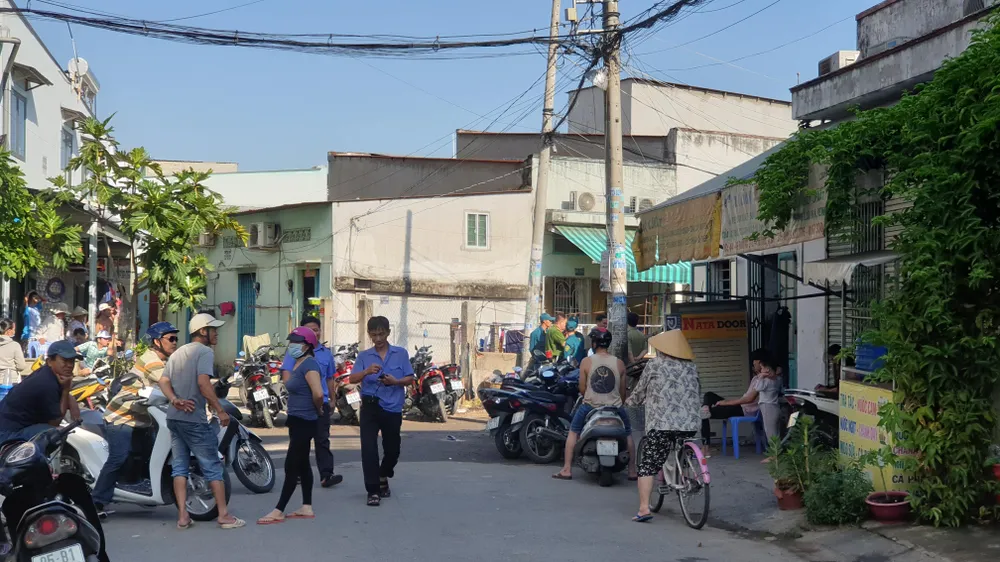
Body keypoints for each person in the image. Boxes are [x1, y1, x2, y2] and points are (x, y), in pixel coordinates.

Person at [157, 313, 245, 530]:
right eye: (213, 330)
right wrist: (220, 410)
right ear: (203, 331)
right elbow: (204, 384)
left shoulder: (178, 353)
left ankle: (183, 516)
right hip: (193, 420)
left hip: (174, 417)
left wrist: (174, 399)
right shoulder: (204, 352)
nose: (217, 334)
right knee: (212, 466)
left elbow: (163, 381)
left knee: (179, 467)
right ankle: (223, 515)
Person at [93, 322, 180, 511]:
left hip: (142, 418)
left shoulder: (164, 361)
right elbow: (169, 384)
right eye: (171, 338)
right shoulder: (151, 360)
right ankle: (97, 500)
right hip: (121, 416)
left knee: (147, 456)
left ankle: (141, 491)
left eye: (176, 338)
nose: (175, 342)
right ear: (157, 342)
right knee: (119, 458)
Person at [626, 329, 701, 522]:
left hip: (661, 424)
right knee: (681, 449)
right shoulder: (691, 367)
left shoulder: (654, 365)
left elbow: (639, 392)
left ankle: (644, 509)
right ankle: (685, 474)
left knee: (648, 464)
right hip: (690, 423)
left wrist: (630, 402)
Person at [258, 328, 326, 525]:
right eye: (291, 342)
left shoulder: (310, 364)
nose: (292, 345)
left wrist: (318, 409)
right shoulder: (299, 363)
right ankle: (306, 506)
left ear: (307, 345)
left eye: (296, 342)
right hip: (296, 419)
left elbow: (318, 393)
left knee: (292, 464)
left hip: (306, 420)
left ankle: (279, 510)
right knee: (303, 463)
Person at [552, 327, 637, 481]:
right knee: (628, 433)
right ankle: (632, 470)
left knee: (573, 431)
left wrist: (591, 396)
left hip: (590, 406)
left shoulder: (586, 362)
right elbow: (623, 392)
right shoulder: (619, 363)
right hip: (615, 407)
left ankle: (566, 469)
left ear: (595, 343)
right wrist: (617, 403)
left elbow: (582, 388)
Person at [348, 316, 416, 507]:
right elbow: (352, 379)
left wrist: (396, 381)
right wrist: (366, 372)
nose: (378, 339)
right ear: (369, 335)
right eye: (374, 335)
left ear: (388, 333)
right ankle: (373, 490)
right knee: (368, 448)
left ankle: (383, 474)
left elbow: (410, 377)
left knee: (393, 450)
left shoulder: (400, 353)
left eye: (381, 334)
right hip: (370, 406)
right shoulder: (364, 356)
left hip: (392, 407)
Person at [280, 316, 342, 488]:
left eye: (316, 329)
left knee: (322, 439)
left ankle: (326, 474)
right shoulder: (295, 351)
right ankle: (298, 473)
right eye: (309, 330)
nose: (314, 333)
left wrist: (332, 399)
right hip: (301, 405)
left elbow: (329, 378)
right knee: (299, 442)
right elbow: (287, 375)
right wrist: (295, 390)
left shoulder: (326, 353)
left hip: (321, 402)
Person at [0, 341, 82, 443]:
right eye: (65, 361)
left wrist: (69, 397)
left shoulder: (47, 373)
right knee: (56, 433)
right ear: (49, 361)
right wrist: (66, 389)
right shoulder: (47, 383)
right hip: (8, 434)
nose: (69, 365)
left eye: (72, 361)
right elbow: (55, 423)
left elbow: (75, 415)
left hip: (9, 425)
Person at [700, 348, 770, 451]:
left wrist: (727, 403)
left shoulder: (764, 379)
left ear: (760, 362)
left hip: (745, 410)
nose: (753, 365)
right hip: (739, 406)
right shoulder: (756, 378)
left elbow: (749, 399)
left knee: (704, 414)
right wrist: (727, 403)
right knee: (709, 396)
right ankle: (705, 407)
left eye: (754, 362)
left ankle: (705, 447)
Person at [709, 355, 782, 443]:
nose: (760, 370)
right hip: (773, 406)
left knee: (770, 431)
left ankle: (775, 451)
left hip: (766, 407)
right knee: (774, 431)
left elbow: (758, 388)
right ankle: (776, 450)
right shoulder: (776, 380)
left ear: (767, 369)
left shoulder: (766, 381)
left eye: (762, 368)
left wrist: (761, 377)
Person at [0, 318, 28, 382]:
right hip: (10, 380)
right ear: (9, 331)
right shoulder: (15, 345)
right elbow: (21, 366)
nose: (14, 331)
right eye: (14, 329)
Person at [21, 291, 43, 359]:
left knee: (35, 355)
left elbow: (44, 300)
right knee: (28, 355)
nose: (37, 298)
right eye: (34, 297)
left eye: (37, 297)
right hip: (28, 335)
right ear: (29, 298)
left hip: (36, 335)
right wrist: (29, 294)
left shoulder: (36, 308)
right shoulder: (27, 309)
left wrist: (37, 294)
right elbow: (25, 302)